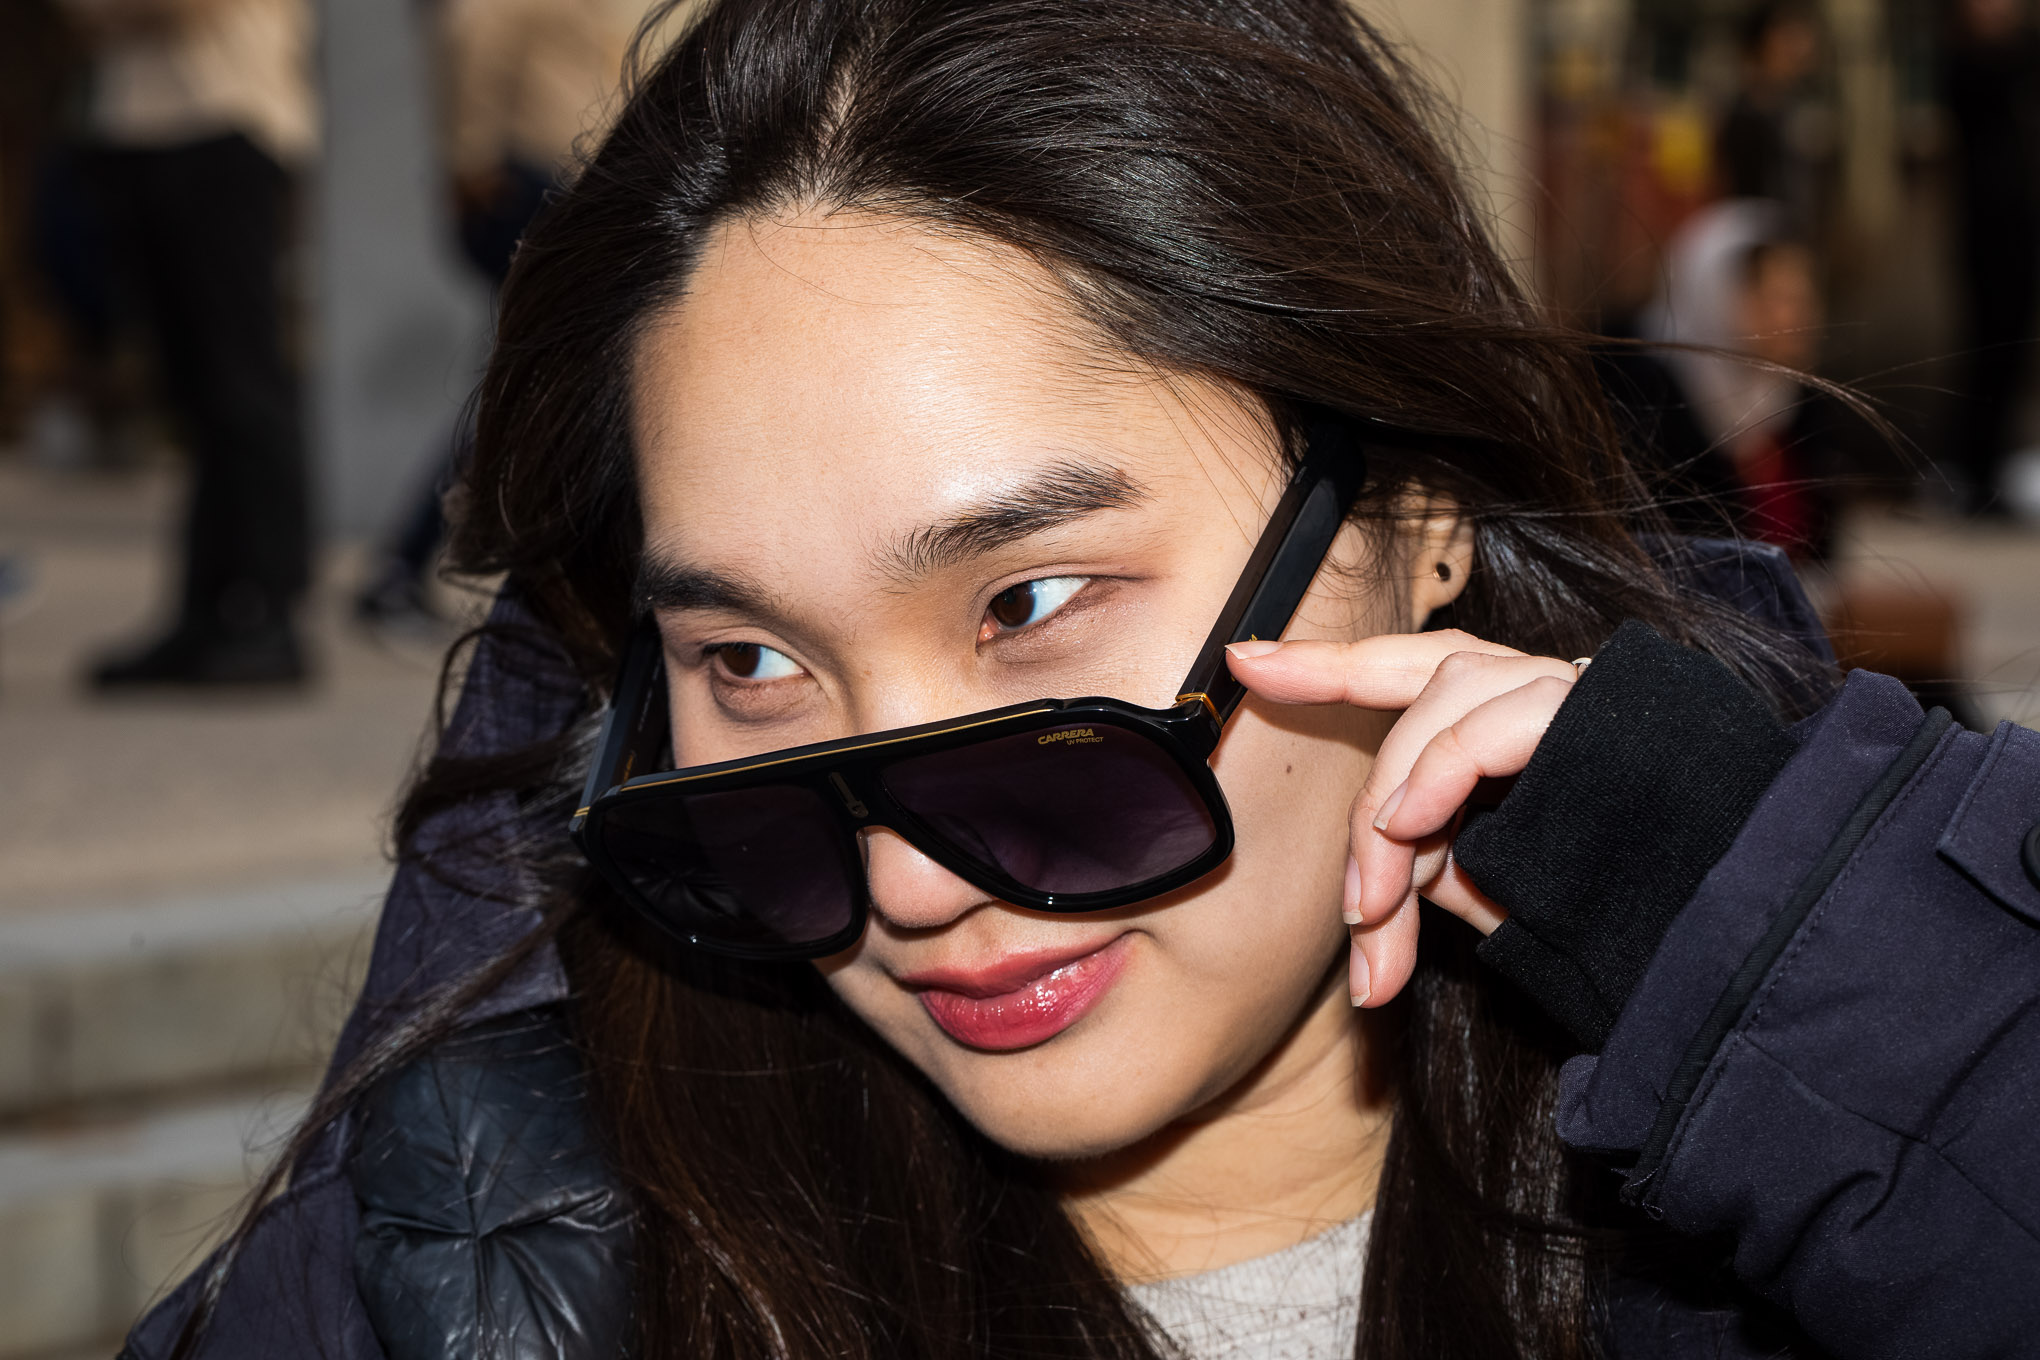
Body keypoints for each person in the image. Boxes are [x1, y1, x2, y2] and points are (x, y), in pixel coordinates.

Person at [125, 3, 2040, 1358]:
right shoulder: (494, 1252)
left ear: (1417, 514)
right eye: (750, 659)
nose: (902, 880)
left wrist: (1823, 985)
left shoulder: (1828, 1107)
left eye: (1032, 600)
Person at [353, 0, 646, 632]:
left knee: (544, 387)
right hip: (533, 185)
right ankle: (402, 567)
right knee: (532, 388)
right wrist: (472, 160)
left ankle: (407, 566)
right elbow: (474, 30)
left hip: (565, 183)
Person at [64, 0, 318, 687]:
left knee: (243, 383)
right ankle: (205, 611)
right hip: (138, 125)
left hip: (222, 123)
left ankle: (269, 610)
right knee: (194, 392)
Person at [1942, 0, 2040, 517]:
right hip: (1987, 233)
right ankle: (1973, 472)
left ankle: (1990, 467)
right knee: (1989, 352)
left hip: (2019, 231)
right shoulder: (1967, 65)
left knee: (2012, 355)